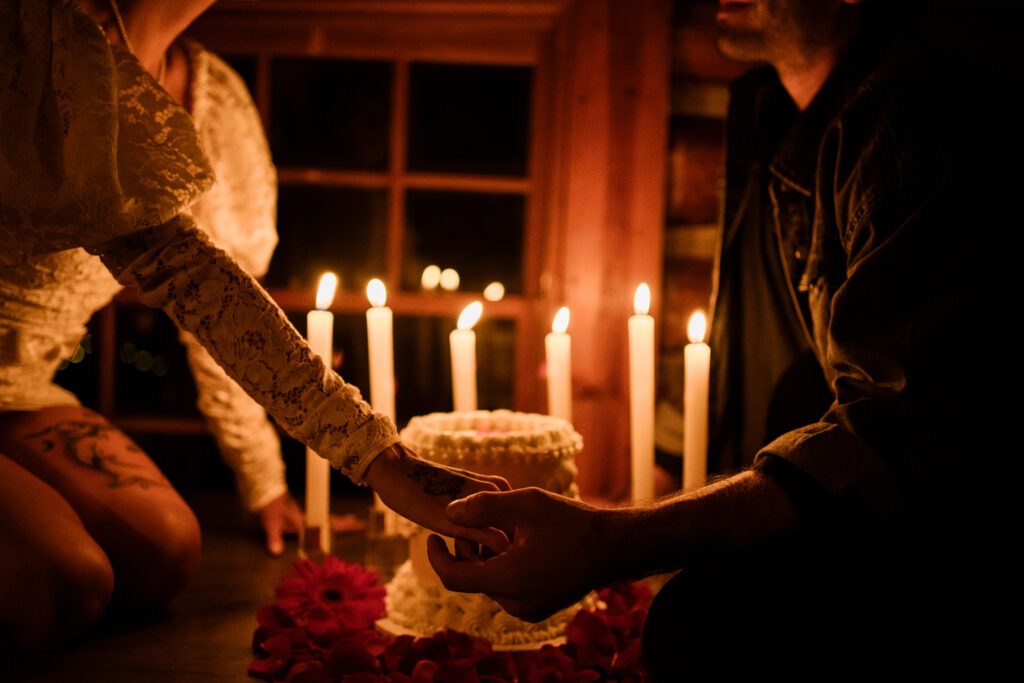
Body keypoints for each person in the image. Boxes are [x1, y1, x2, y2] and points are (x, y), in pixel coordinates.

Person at [428, 1, 1013, 679]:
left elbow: (892, 435)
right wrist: (651, 475)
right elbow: (747, 342)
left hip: (934, 562)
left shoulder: (914, 119)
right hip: (798, 505)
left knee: (701, 622)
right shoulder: (767, 112)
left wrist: (616, 540)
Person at [0, 0, 509, 649]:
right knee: (66, 583)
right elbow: (181, 270)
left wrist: (266, 480)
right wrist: (379, 460)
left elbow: (215, 307)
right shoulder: (38, 32)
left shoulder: (215, 100)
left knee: (167, 551)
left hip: (22, 389)